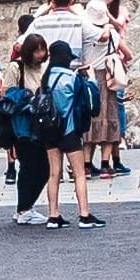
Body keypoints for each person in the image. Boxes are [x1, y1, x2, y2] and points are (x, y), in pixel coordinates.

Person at [0, 38, 60, 225]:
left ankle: (26, 207)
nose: (40, 55)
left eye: (42, 51)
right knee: (29, 167)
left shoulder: (45, 69)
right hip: (22, 125)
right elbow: (6, 95)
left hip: (40, 125)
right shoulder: (16, 68)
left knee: (45, 167)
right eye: (36, 51)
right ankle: (24, 209)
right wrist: (27, 98)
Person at [44, 31, 102, 229]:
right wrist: (92, 79)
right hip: (69, 131)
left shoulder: (46, 79)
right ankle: (84, 215)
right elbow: (90, 103)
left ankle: (53, 215)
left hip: (50, 131)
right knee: (78, 173)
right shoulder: (71, 77)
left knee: (54, 174)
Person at [86, 0, 135, 178]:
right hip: (108, 79)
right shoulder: (113, 34)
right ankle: (106, 166)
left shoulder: (84, 32)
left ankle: (87, 166)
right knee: (109, 119)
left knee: (89, 122)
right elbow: (128, 55)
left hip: (88, 78)